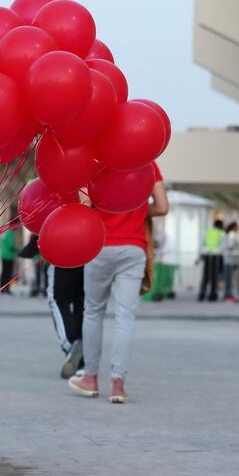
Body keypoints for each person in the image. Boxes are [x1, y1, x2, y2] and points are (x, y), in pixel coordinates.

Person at [69, 162, 169, 403]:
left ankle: (90, 379)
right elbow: (163, 207)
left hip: (99, 245)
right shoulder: (147, 161)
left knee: (93, 312)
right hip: (133, 246)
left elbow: (84, 204)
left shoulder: (92, 160)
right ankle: (118, 385)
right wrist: (140, 210)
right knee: (126, 316)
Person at [47, 264, 85, 379]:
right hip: (90, 256)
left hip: (62, 255)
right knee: (81, 300)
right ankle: (84, 347)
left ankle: (71, 346)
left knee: (57, 299)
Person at [198, 220, 224, 301]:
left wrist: (203, 252)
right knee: (214, 276)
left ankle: (202, 293)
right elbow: (222, 245)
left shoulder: (208, 232)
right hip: (215, 255)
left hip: (207, 254)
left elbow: (202, 243)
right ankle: (213, 294)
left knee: (205, 276)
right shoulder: (220, 233)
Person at [222, 222, 239, 301]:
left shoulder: (229, 234)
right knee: (229, 278)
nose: (238, 228)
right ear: (234, 227)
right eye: (237, 227)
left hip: (229, 259)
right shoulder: (232, 234)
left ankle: (227, 293)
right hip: (230, 259)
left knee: (228, 278)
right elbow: (230, 246)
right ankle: (228, 294)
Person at [0, 229, 18, 294]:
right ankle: (7, 289)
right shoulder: (10, 233)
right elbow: (11, 245)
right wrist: (17, 251)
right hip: (8, 256)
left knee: (4, 272)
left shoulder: (6, 232)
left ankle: (2, 288)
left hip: (3, 254)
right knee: (8, 273)